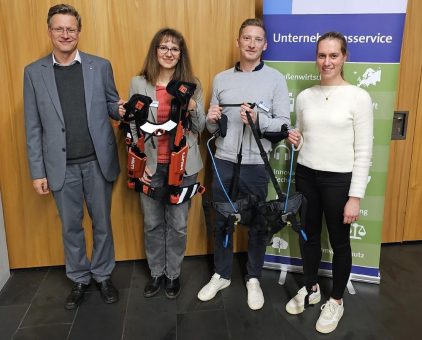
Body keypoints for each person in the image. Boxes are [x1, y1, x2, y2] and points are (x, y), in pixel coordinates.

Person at [24, 4, 125, 310]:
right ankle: (80, 278)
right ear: (50, 31)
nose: (65, 34)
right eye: (59, 28)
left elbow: (111, 104)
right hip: (60, 167)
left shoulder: (100, 66)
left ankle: (103, 275)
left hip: (97, 162)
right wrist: (37, 172)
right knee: (71, 226)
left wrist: (119, 110)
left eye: (71, 28)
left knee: (102, 223)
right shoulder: (33, 73)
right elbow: (33, 126)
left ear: (79, 31)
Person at [197, 18, 290, 310]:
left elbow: (284, 125)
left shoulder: (275, 79)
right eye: (246, 38)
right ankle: (221, 274)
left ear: (265, 45)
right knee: (222, 219)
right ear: (237, 42)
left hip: (256, 165)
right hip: (224, 161)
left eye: (257, 39)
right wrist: (211, 121)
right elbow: (213, 130)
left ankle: (253, 278)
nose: (251, 44)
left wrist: (258, 120)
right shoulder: (221, 79)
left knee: (258, 224)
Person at [285, 31, 373, 333]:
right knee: (307, 236)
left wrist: (355, 196)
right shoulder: (305, 96)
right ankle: (311, 288)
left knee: (339, 242)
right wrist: (296, 140)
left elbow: (363, 151)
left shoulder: (359, 97)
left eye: (333, 55)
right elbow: (304, 138)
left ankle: (335, 300)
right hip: (306, 175)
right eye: (322, 55)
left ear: (344, 57)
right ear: (316, 58)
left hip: (339, 182)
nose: (327, 61)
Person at [128, 28, 205, 299]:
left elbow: (200, 127)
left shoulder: (192, 83)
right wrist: (143, 162)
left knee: (178, 224)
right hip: (151, 167)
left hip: (183, 167)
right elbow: (134, 126)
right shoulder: (139, 83)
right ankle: (156, 273)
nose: (169, 53)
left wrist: (193, 107)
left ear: (180, 54)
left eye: (174, 48)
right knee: (151, 223)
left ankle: (172, 275)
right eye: (164, 47)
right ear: (155, 51)